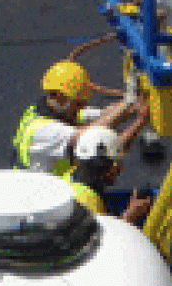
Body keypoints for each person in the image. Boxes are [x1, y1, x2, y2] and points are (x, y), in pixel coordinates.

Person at [13, 60, 147, 177]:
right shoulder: (44, 132)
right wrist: (138, 115)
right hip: (45, 198)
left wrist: (131, 104)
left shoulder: (46, 111)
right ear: (60, 97)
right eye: (78, 104)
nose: (81, 109)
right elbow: (92, 136)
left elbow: (104, 115)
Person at [66, 127, 154, 228]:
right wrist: (129, 217)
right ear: (112, 167)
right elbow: (103, 242)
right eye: (119, 163)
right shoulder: (90, 202)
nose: (121, 168)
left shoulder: (71, 175)